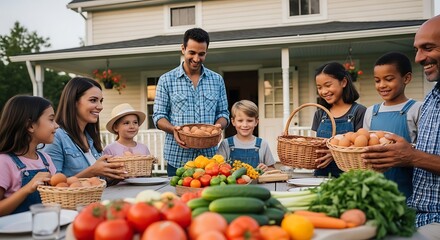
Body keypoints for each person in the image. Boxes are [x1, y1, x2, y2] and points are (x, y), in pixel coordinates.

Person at [362, 15, 440, 239]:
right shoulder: (432, 100)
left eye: (428, 48)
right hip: (415, 213)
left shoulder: (415, 107)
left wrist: (411, 156)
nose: (418, 58)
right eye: (417, 49)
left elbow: (413, 155)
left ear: (405, 79)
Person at [153, 27, 230, 176]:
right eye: (192, 53)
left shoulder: (217, 80)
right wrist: (173, 129)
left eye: (201, 54)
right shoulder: (166, 80)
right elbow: (159, 116)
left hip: (209, 160)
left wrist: (218, 126)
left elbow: (223, 113)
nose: (196, 59)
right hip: (178, 158)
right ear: (183, 49)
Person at [363, 52, 422, 198]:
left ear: (406, 78)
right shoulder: (371, 111)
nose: (382, 85)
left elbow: (422, 152)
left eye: (388, 79)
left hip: (408, 190)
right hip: (376, 189)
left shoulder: (417, 109)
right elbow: (364, 144)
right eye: (377, 80)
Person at [44, 77, 126, 181]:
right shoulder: (56, 137)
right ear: (74, 101)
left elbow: (99, 181)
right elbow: (53, 185)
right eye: (93, 100)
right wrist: (92, 171)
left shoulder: (89, 137)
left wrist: (118, 172)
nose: (100, 106)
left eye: (101, 101)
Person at [0, 96, 58, 216]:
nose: (56, 125)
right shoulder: (4, 161)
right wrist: (27, 188)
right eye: (51, 119)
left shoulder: (45, 159)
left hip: (44, 228)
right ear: (30, 126)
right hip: (14, 232)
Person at [311, 61, 366, 177]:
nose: (323, 91)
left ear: (344, 82)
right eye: (319, 87)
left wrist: (335, 154)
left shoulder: (359, 112)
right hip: (321, 175)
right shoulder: (320, 114)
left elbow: (362, 147)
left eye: (328, 85)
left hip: (350, 177)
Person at [217, 100, 275, 172]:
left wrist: (266, 169)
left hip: (256, 183)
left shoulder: (263, 144)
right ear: (233, 121)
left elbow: (272, 169)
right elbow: (217, 168)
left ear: (256, 122)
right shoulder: (225, 144)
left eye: (249, 121)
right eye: (240, 121)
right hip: (233, 183)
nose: (245, 125)